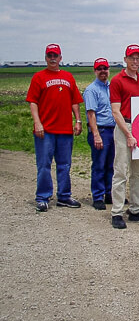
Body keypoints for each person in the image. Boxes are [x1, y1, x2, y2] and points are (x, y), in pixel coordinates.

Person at [26, 44, 84, 212]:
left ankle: (64, 196)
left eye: (55, 55)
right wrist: (37, 122)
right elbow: (33, 102)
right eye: (50, 55)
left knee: (64, 164)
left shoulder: (68, 77)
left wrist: (78, 121)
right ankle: (43, 197)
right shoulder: (39, 77)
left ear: (60, 58)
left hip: (65, 129)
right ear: (46, 57)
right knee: (44, 164)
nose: (52, 58)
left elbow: (75, 101)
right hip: (46, 130)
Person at [109, 44, 139, 229]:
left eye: (138, 58)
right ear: (125, 59)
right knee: (121, 171)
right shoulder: (117, 80)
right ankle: (117, 212)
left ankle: (137, 209)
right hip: (125, 127)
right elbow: (116, 111)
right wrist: (128, 134)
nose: (135, 61)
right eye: (132, 58)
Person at [83, 57, 115, 210]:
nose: (103, 71)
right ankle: (97, 196)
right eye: (99, 69)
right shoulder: (91, 90)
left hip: (113, 130)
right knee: (99, 166)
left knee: (111, 165)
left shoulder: (111, 87)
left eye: (105, 68)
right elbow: (91, 114)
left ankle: (109, 194)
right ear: (95, 71)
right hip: (100, 130)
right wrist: (96, 134)